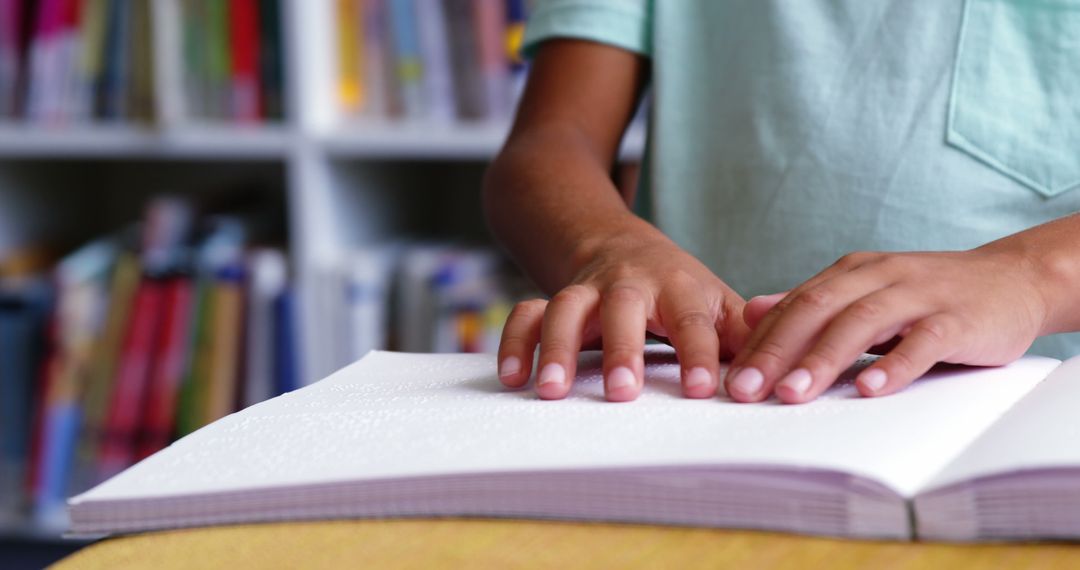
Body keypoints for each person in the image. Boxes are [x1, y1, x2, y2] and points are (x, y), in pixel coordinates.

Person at [483, 0, 1080, 405]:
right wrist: (609, 246)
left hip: (1031, 402)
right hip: (688, 392)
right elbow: (547, 146)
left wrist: (1032, 276)